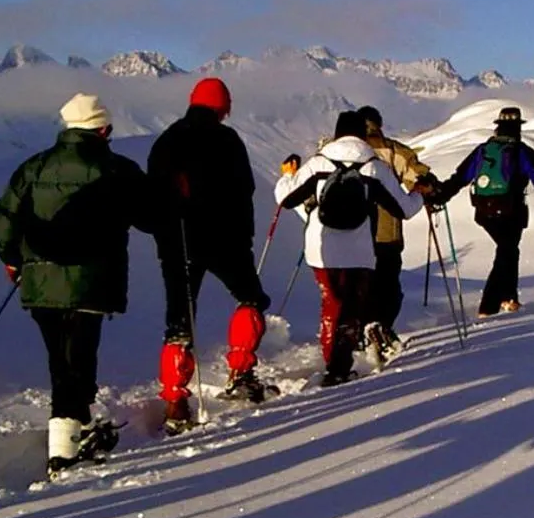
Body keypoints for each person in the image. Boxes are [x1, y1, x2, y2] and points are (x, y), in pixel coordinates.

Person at [0, 93, 155, 476]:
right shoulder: (117, 169)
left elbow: (3, 222)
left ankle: (73, 428)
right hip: (92, 279)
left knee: (61, 360)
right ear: (101, 128)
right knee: (78, 358)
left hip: (40, 279)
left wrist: (13, 260)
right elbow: (151, 216)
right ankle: (64, 451)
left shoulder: (33, 167)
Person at [146, 77, 273, 426]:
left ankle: (175, 401)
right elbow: (244, 190)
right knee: (251, 298)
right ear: (224, 107)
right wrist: (243, 236)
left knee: (179, 319)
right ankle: (241, 372)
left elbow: (152, 195)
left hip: (178, 242)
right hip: (226, 240)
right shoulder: (227, 140)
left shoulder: (168, 140)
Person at [276, 110, 423, 387]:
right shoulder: (373, 166)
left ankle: (332, 359)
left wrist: (287, 176)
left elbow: (286, 199)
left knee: (331, 304)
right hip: (360, 250)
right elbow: (405, 209)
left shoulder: (320, 162)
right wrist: (420, 194)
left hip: (321, 249)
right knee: (352, 307)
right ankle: (340, 365)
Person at [429, 106, 534, 318]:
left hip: (483, 211)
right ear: (518, 128)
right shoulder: (522, 151)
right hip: (511, 211)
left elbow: (460, 178)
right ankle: (489, 305)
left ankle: (508, 298)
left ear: (498, 127)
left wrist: (440, 196)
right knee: (507, 252)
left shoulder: (483, 150)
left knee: (508, 250)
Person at [356, 105, 434, 364]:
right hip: (387, 232)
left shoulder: (342, 150)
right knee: (388, 285)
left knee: (358, 285)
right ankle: (382, 329)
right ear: (379, 124)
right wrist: (427, 190)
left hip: (349, 235)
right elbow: (417, 176)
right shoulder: (392, 150)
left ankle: (360, 333)